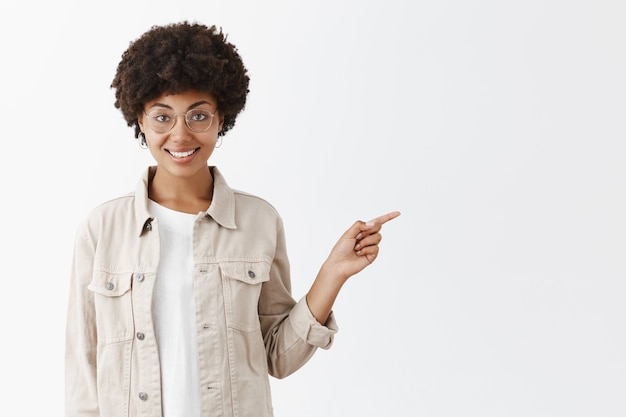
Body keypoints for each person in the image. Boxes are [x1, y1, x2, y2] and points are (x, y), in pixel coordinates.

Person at [65, 21, 400, 417]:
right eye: (162, 117)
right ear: (139, 119)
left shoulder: (259, 221)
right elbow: (82, 367)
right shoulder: (102, 230)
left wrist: (332, 274)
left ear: (221, 117)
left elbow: (278, 357)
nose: (180, 135)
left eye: (198, 116)